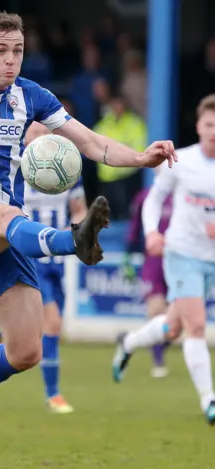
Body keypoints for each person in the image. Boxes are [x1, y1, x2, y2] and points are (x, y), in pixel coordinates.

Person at [0, 11, 176, 460]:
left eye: (17, 51)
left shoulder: (33, 97)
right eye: (1, 51)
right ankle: (71, 241)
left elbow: (92, 143)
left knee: (25, 351)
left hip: (8, 233)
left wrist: (141, 157)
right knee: (4, 213)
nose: (10, 61)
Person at [112, 94, 215, 424]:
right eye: (209, 124)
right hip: (181, 252)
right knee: (195, 326)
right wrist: (152, 232)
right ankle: (209, 401)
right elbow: (153, 199)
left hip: (210, 258)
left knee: (173, 327)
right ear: (198, 126)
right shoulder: (182, 161)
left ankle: (128, 342)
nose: (213, 131)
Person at [0, 122, 88, 414]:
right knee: (51, 323)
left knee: (53, 327)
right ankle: (54, 395)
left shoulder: (68, 162)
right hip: (28, 254)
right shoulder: (14, 166)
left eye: (45, 132)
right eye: (35, 132)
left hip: (58, 257)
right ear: (23, 134)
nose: (41, 137)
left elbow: (79, 209)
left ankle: (3, 326)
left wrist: (78, 230)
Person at [122, 178, 173, 378]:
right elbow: (135, 227)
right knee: (156, 309)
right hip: (153, 261)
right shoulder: (146, 196)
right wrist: (127, 255)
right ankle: (158, 360)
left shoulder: (185, 193)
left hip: (179, 261)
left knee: (178, 320)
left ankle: (135, 341)